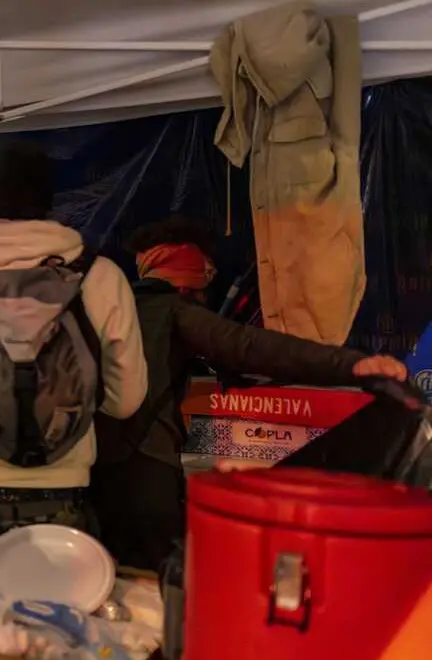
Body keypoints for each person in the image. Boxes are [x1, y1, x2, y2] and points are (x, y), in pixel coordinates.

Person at [91, 215, 408, 571]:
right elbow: (249, 346)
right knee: (163, 591)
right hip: (145, 480)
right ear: (194, 278)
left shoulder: (110, 310)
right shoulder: (174, 311)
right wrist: (351, 365)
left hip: (93, 475)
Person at [0, 142, 148, 554]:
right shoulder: (99, 274)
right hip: (63, 486)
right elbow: (125, 401)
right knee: (55, 613)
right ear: (46, 199)